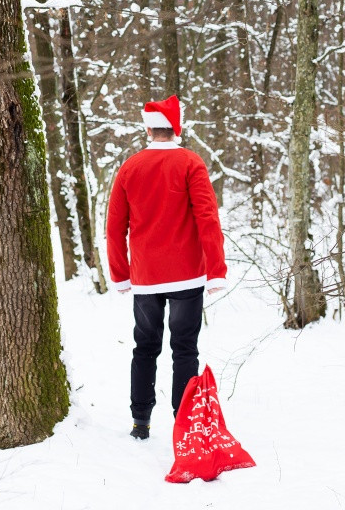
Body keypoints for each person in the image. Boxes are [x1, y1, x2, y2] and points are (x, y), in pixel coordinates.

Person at [106, 94, 227, 440]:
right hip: (187, 273)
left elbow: (115, 227)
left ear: (147, 128)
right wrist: (216, 268)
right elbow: (207, 218)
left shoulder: (130, 168)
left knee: (145, 348)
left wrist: (121, 274)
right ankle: (184, 426)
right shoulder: (191, 163)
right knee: (184, 349)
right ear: (178, 126)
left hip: (146, 277)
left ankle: (140, 423)